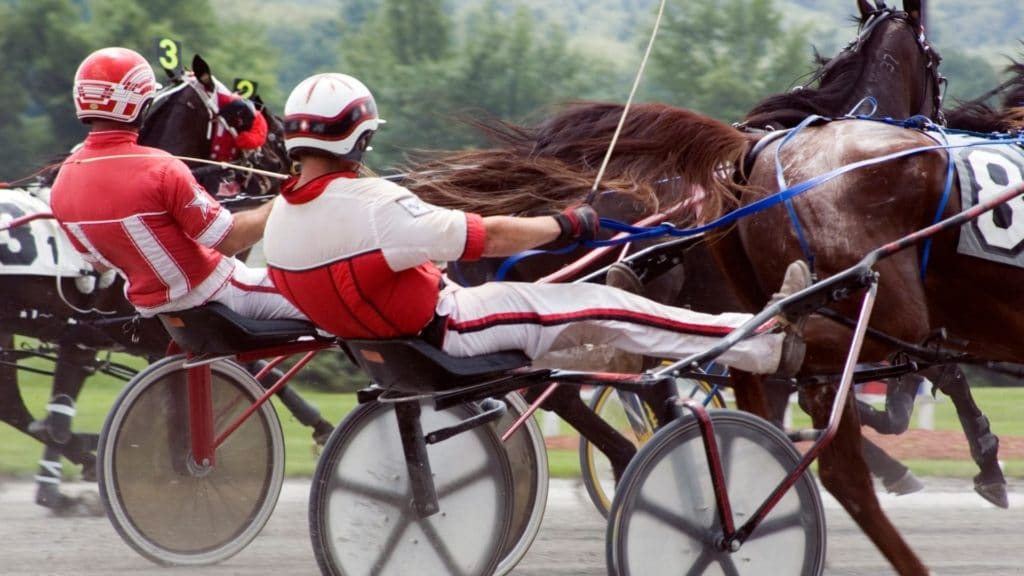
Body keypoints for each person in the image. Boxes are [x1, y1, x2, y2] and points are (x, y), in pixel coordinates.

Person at [262, 72, 812, 376]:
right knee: (606, 304)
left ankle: (606, 351)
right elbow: (489, 237)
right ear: (362, 138)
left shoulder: (280, 220)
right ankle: (758, 342)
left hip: (392, 339)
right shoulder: (376, 204)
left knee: (570, 311)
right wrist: (569, 224)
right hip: (449, 332)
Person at [50, 46, 304, 322]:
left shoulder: (62, 181)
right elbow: (230, 240)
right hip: (216, 292)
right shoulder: (162, 168)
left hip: (153, 307)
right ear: (144, 105)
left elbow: (98, 262)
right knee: (327, 299)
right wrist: (288, 197)